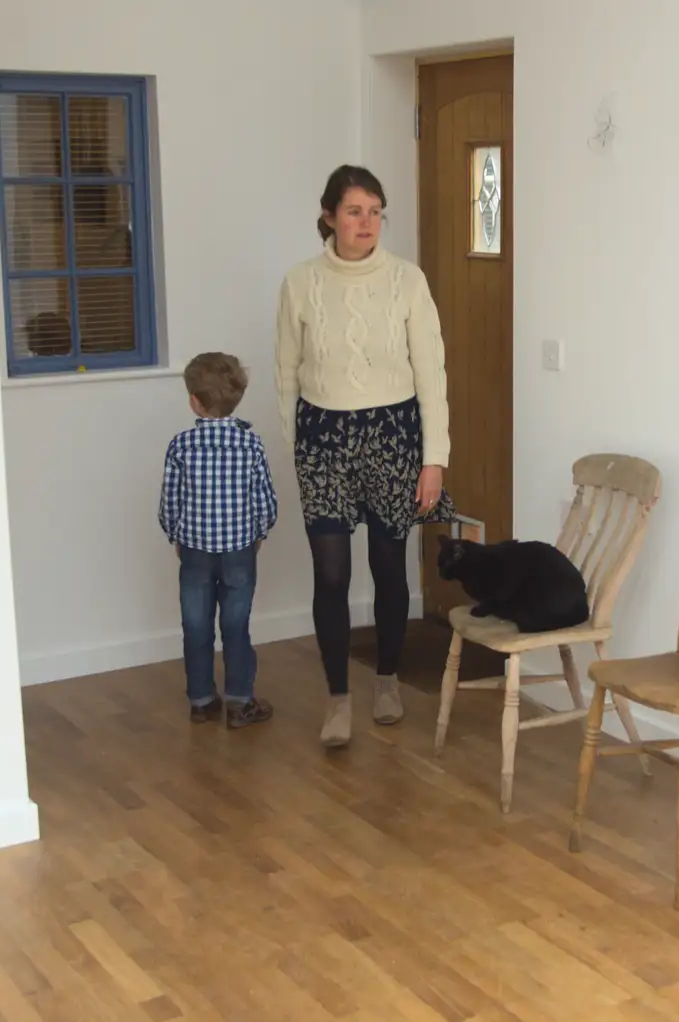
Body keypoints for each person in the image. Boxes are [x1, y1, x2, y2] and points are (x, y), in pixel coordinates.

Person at [275, 164, 456, 749]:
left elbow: (432, 373)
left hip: (393, 431)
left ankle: (386, 680)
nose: (367, 223)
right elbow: (285, 374)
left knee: (388, 563)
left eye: (376, 211)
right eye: (355, 211)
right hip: (323, 435)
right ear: (329, 216)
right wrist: (297, 448)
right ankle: (336, 697)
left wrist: (435, 459)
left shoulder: (408, 280)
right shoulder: (300, 282)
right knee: (330, 573)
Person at [158, 352, 279, 729]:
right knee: (235, 625)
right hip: (240, 550)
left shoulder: (181, 446)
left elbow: (169, 502)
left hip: (194, 551)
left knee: (195, 625)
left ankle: (201, 700)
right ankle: (240, 702)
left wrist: (175, 535)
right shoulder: (251, 444)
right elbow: (266, 500)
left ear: (193, 399)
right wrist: (260, 532)